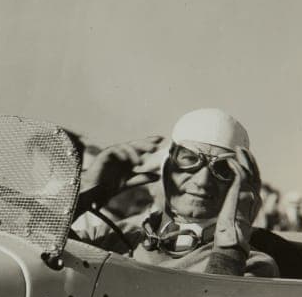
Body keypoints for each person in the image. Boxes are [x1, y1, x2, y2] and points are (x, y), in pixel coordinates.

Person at [72, 108, 278, 277]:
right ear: (166, 167)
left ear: (238, 182)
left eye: (222, 169)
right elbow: (51, 266)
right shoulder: (109, 237)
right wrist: (80, 195)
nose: (203, 181)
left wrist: (229, 246)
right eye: (190, 159)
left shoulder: (250, 264)